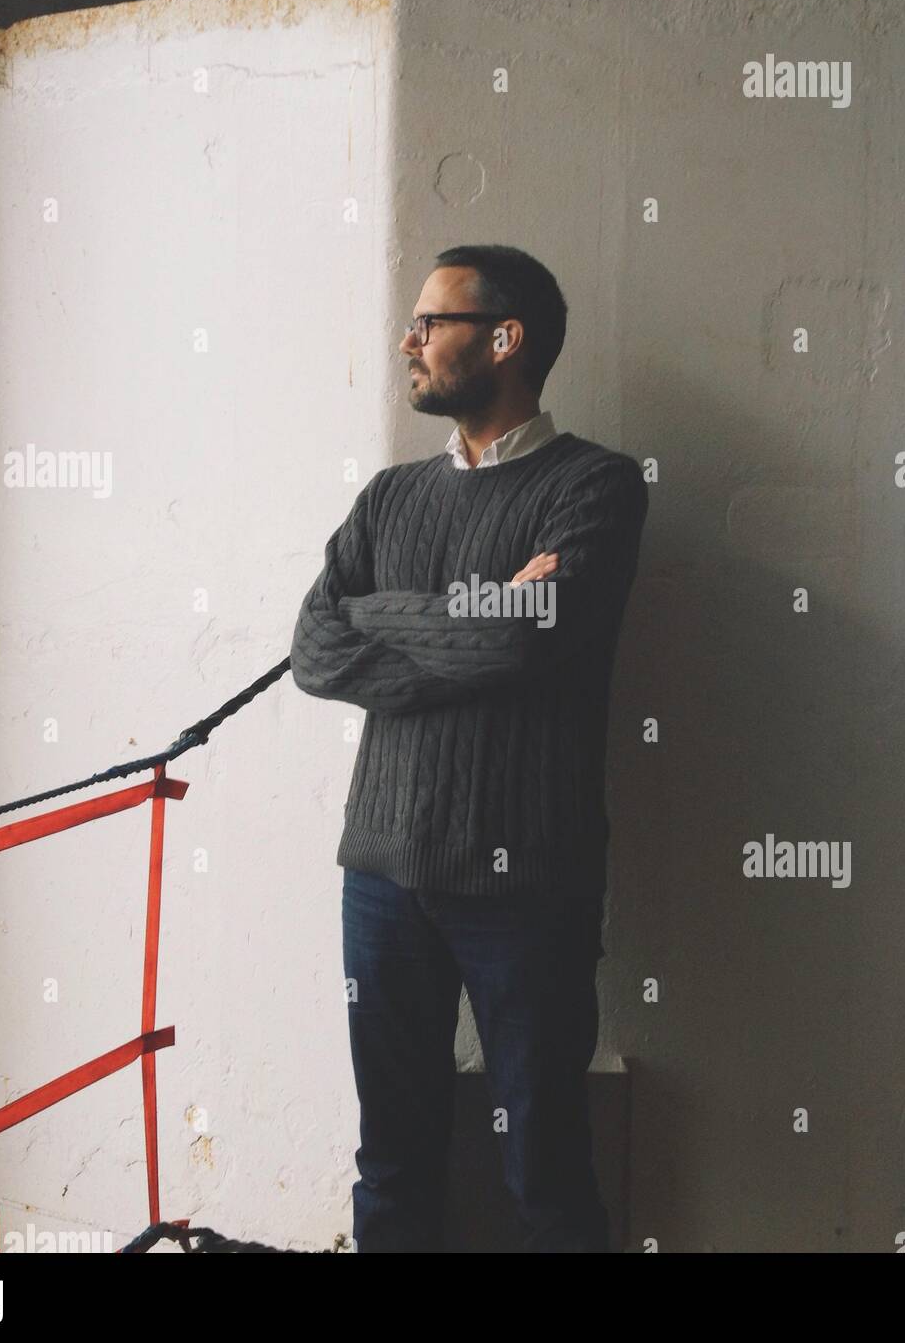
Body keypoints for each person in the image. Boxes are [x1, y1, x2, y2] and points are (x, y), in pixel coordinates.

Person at [290, 244, 648, 1252]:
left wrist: (394, 620)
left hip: (527, 883)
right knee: (390, 1161)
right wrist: (470, 614)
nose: (408, 339)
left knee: (545, 1163)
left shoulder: (598, 487)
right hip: (380, 878)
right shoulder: (388, 497)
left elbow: (521, 636)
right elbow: (316, 652)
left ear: (505, 338)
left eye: (430, 321)